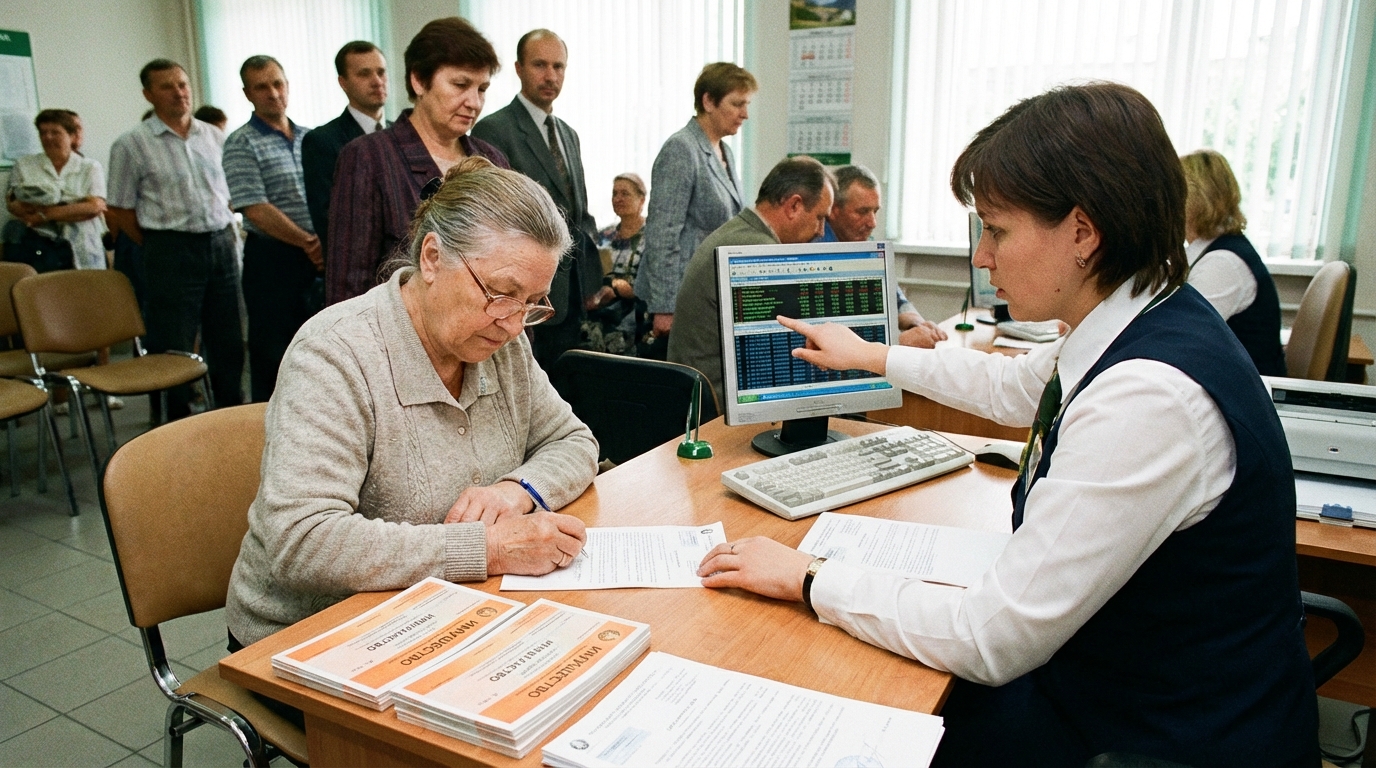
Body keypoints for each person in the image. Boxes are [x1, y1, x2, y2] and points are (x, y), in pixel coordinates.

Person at [697, 83, 1316, 767]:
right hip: (1122, 685)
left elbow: (990, 640)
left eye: (997, 229)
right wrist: (872, 354)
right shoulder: (1146, 316)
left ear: (1083, 232)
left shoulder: (1148, 396)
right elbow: (1013, 384)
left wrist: (810, 577)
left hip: (1156, 734)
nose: (983, 256)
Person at [226, 157, 598, 724]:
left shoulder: (503, 341)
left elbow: (574, 441)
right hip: (311, 634)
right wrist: (489, 549)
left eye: (532, 303)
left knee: (580, 694)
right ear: (431, 258)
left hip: (442, 611)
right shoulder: (336, 354)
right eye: (500, 293)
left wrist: (514, 489)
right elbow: (300, 541)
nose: (513, 323)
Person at [326, 17, 510, 305]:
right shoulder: (368, 157)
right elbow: (348, 288)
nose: (474, 102)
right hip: (400, 340)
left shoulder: (492, 159)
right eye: (460, 84)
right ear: (419, 80)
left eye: (482, 89)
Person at [107, 59, 244, 421]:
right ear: (148, 94)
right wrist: (160, 242)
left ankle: (230, 417)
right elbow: (121, 209)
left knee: (227, 340)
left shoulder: (214, 136)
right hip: (169, 248)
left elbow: (227, 194)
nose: (179, 92)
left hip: (219, 244)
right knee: (173, 344)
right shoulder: (131, 144)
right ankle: (174, 423)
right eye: (167, 86)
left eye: (183, 84)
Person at [472, 29, 604, 371]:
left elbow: (581, 214)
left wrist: (590, 281)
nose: (551, 76)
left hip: (572, 295)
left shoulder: (568, 134)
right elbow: (496, 220)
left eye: (559, 66)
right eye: (540, 65)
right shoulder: (494, 131)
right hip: (525, 299)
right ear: (518, 68)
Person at [669, 156, 834, 399]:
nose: (821, 231)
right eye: (820, 217)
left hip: (694, 394)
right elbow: (783, 354)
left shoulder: (739, 233)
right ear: (794, 206)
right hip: (717, 405)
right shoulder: (760, 251)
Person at [634, 62, 756, 356]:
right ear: (708, 101)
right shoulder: (681, 148)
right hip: (677, 298)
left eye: (746, 104)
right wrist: (664, 307)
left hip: (705, 293)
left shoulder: (724, 150)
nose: (745, 114)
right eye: (737, 104)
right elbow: (662, 234)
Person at [223, 56, 321, 403]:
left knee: (317, 352)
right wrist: (309, 242)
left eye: (278, 83)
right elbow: (254, 207)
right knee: (273, 356)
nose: (273, 93)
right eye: (262, 87)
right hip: (273, 260)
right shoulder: (241, 143)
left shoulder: (311, 138)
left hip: (317, 259)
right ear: (248, 93)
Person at [819, 164, 947, 349]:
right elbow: (836, 337)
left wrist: (918, 324)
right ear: (833, 210)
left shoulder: (865, 246)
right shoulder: (815, 250)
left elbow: (895, 298)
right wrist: (899, 342)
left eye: (875, 211)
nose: (872, 222)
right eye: (862, 212)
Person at [1181, 149, 1285, 376]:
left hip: (1249, 395)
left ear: (1194, 200)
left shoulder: (1222, 263)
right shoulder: (1216, 249)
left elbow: (1179, 334)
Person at [302, 40, 389, 252]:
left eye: (381, 72)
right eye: (364, 74)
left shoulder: (404, 134)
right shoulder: (322, 140)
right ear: (343, 82)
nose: (377, 81)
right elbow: (328, 221)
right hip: (359, 265)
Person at [5, 109, 108, 272]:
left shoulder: (90, 167)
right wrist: (73, 206)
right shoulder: (24, 165)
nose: (48, 137)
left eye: (55, 132)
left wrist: (43, 215)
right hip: (39, 246)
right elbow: (13, 204)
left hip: (82, 244)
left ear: (72, 136)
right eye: (43, 132)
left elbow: (95, 207)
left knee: (84, 291)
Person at [582, 173, 648, 355]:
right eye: (614, 194)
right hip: (602, 313)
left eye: (625, 194)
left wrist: (618, 289)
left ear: (641, 200)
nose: (618, 199)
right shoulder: (603, 235)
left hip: (637, 316)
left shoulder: (652, 237)